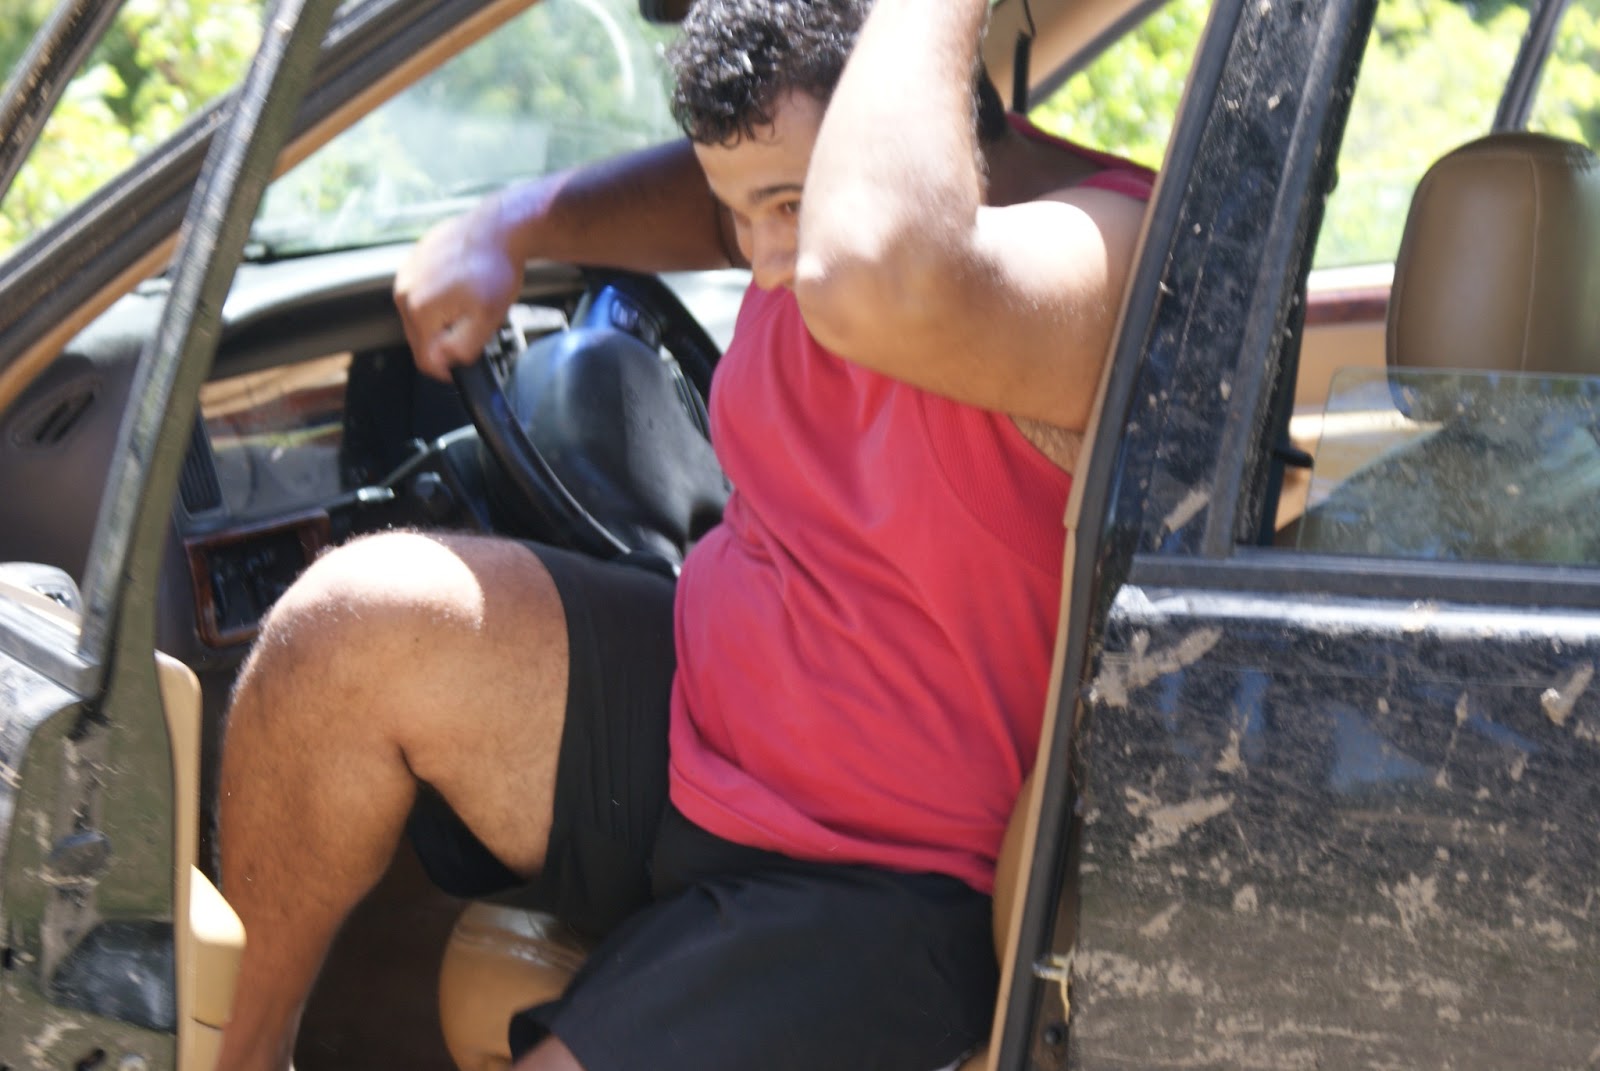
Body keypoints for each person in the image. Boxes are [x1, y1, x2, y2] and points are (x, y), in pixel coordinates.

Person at [213, 0, 1152, 1069]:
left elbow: (881, 270)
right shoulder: (797, 212)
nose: (762, 260)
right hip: (693, 723)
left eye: (789, 206)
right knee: (345, 633)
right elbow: (742, 195)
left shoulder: (1103, 251)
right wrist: (513, 224)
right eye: (739, 213)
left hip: (878, 876)